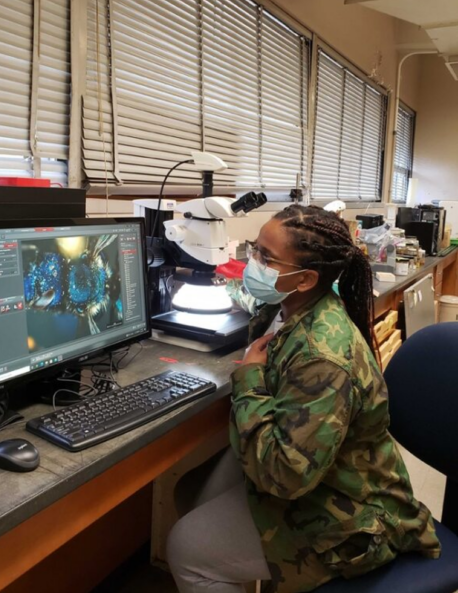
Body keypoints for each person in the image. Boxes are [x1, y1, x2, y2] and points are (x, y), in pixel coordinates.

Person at [166, 205, 440, 593]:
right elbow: (251, 299)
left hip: (350, 514)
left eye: (265, 257)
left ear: (306, 278)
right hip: (317, 469)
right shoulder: (295, 303)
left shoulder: (321, 356)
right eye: (253, 249)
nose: (252, 263)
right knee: (189, 492)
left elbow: (284, 477)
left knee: (185, 547)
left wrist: (250, 379)